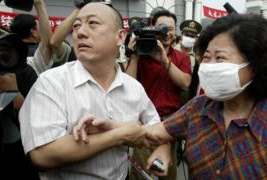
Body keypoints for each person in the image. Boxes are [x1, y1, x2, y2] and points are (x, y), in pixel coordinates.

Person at [19, 3, 169, 179]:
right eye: (76, 26)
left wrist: (163, 151)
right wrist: (120, 135)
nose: (80, 32)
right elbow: (42, 155)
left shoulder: (133, 87)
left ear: (120, 36)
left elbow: (159, 131)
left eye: (93, 23)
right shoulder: (51, 83)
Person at [146, 14, 267, 178]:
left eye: (220, 58)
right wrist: (160, 143)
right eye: (206, 57)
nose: (209, 66)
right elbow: (157, 133)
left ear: (256, 66)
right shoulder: (198, 106)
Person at [125, 9, 191, 180]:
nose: (167, 33)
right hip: (146, 123)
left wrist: (165, 61)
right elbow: (128, 85)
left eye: (170, 28)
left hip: (171, 123)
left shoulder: (182, 57)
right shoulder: (141, 55)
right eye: (162, 27)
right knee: (141, 174)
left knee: (167, 173)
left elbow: (185, 83)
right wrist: (133, 56)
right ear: (153, 28)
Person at [0, 27, 39, 179]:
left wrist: (13, 91)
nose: (1, 53)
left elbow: (36, 118)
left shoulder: (25, 71)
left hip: (19, 152)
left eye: (5, 46)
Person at [9, 0, 55, 75]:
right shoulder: (37, 56)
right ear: (33, 31)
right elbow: (47, 43)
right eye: (39, 26)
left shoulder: (7, 55)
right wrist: (39, 4)